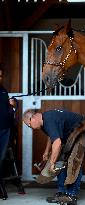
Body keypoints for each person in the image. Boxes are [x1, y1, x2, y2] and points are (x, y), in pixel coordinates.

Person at [23, 108, 85, 205]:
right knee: (59, 161)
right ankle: (61, 192)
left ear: (33, 118)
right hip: (67, 134)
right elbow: (52, 135)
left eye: (29, 124)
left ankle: (71, 195)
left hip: (81, 128)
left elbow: (57, 142)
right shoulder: (44, 121)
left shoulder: (49, 119)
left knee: (75, 160)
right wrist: (46, 151)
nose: (29, 127)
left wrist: (52, 163)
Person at [0, 67, 17, 199]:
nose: (0, 78)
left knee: (0, 159)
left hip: (5, 130)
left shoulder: (3, 90)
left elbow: (9, 112)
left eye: (0, 75)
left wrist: (12, 105)